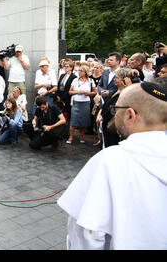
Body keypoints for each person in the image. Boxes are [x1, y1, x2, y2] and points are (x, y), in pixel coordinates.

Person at [57, 82, 167, 250]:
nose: (113, 115)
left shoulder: (110, 162)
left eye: (116, 110)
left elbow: (88, 235)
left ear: (130, 115)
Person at [96, 67, 133, 148]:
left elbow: (116, 109)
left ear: (124, 80)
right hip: (106, 125)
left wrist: (102, 117)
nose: (114, 79)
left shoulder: (125, 94)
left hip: (114, 128)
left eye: (117, 78)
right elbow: (106, 105)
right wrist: (100, 114)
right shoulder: (116, 90)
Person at [67, 65, 97, 144]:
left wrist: (88, 93)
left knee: (84, 121)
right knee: (73, 120)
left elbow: (95, 92)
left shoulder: (90, 81)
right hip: (76, 102)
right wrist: (78, 92)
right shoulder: (75, 80)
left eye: (81, 71)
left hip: (85, 103)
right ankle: (71, 136)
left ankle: (81, 136)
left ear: (85, 72)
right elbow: (70, 92)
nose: (79, 72)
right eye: (78, 70)